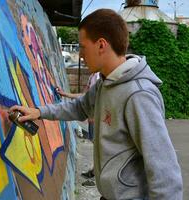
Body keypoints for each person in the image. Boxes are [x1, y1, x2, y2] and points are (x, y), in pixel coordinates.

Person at [9, 9, 183, 199]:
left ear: (101, 45)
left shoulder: (139, 95)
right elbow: (79, 107)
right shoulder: (105, 82)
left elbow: (164, 170)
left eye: (83, 47)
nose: (81, 54)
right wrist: (37, 112)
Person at [57, 72, 100, 187]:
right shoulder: (93, 76)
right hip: (93, 119)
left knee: (101, 148)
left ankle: (96, 175)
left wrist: (95, 115)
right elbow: (84, 96)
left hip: (100, 120)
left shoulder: (103, 76)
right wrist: (65, 94)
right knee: (96, 146)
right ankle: (94, 172)